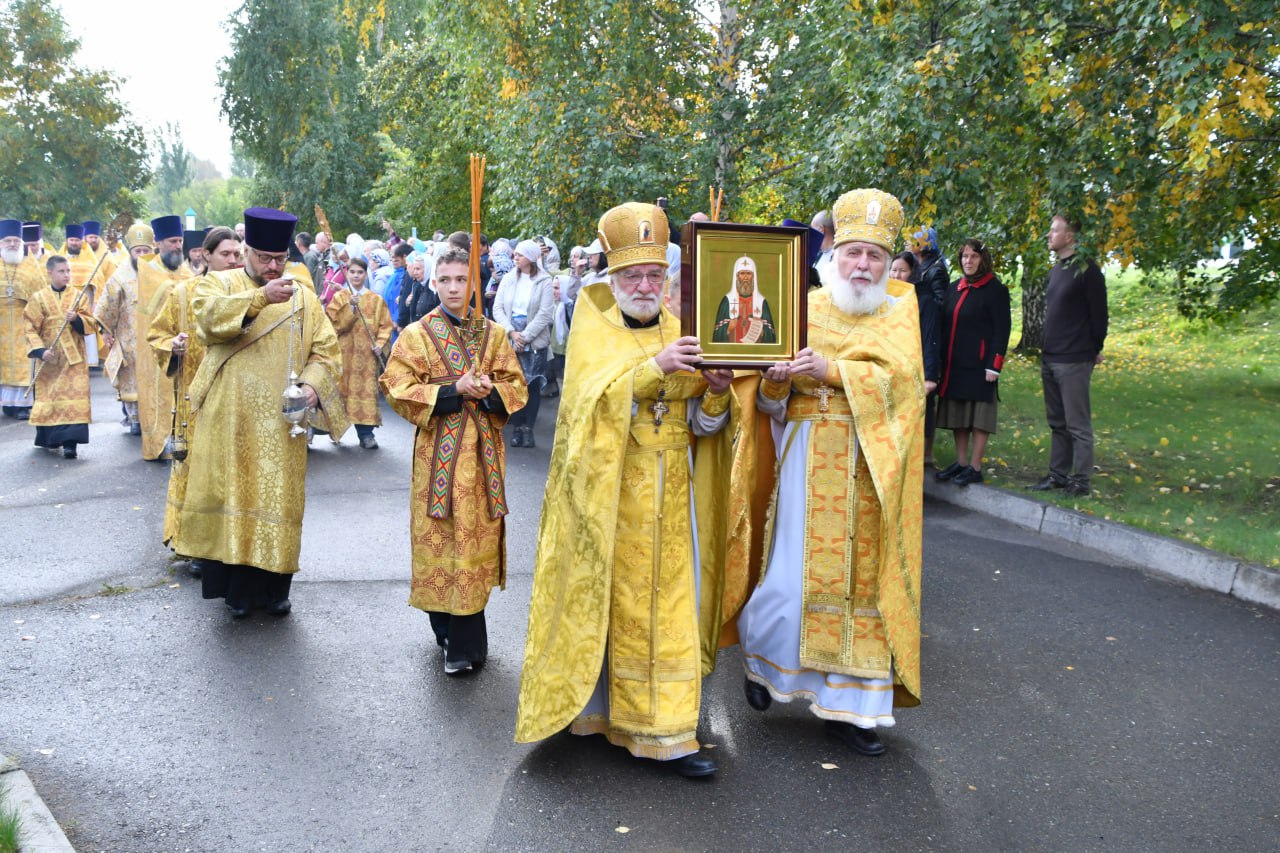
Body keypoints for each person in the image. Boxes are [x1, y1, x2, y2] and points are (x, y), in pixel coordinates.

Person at [515, 201, 737, 779]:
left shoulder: (683, 330)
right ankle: (596, 714)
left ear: (666, 280)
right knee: (609, 606)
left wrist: (714, 390)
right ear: (612, 279)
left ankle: (667, 731)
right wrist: (653, 370)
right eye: (632, 276)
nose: (644, 285)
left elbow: (707, 427)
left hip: (673, 497)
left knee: (668, 609)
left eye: (653, 276)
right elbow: (584, 409)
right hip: (608, 500)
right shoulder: (594, 323)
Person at [737, 188, 924, 758]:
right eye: (853, 254)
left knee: (862, 589)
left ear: (886, 261)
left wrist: (833, 369)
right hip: (806, 459)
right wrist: (774, 378)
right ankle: (764, 667)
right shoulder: (804, 309)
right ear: (834, 255)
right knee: (790, 576)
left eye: (873, 255)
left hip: (872, 469)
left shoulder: (901, 312)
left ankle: (854, 711)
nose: (862, 266)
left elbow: (906, 388)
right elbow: (768, 400)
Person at [175, 207, 348, 619]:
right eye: (264, 258)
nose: (273, 267)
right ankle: (236, 593)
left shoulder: (304, 297)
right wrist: (258, 299)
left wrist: (310, 386)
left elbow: (326, 351)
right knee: (235, 495)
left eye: (280, 259)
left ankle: (275, 591)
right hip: (229, 418)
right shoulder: (218, 282)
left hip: (281, 422)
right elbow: (208, 322)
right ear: (247, 251)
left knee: (280, 502)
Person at [379, 247, 528, 674]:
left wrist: (489, 390)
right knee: (442, 543)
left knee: (472, 547)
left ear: (472, 283)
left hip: (481, 465)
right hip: (437, 463)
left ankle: (464, 645)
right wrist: (452, 390)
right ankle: (444, 630)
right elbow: (395, 385)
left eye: (461, 280)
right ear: (434, 283)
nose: (453, 288)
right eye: (444, 280)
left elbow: (516, 385)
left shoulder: (493, 335)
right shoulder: (416, 335)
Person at [148, 226, 242, 571]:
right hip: (195, 401)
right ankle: (196, 546)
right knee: (198, 471)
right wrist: (171, 346)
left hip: (235, 402)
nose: (233, 261)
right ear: (205, 255)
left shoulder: (251, 293)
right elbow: (157, 333)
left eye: (237, 254)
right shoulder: (183, 293)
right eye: (225, 254)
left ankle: (232, 545)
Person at [1031, 214, 1108, 498]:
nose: (1049, 235)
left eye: (1054, 230)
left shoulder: (1087, 270)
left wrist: (1092, 349)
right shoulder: (1056, 271)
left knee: (1078, 423)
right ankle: (1058, 475)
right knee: (1057, 422)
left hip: (1074, 358)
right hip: (1051, 357)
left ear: (1070, 237)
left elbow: (1099, 316)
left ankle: (1081, 481)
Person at [934, 239, 1011, 486]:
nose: (968, 261)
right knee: (958, 415)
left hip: (980, 366)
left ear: (983, 260)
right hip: (954, 365)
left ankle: (975, 467)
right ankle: (962, 463)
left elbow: (1003, 330)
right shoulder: (955, 287)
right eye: (965, 256)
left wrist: (994, 365)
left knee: (979, 418)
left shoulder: (995, 291)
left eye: (974, 257)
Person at [24, 255, 99, 459]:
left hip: (74, 358)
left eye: (68, 271)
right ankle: (51, 439)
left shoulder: (78, 296)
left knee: (74, 397)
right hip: (50, 358)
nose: (67, 275)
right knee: (51, 398)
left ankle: (70, 444)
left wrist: (76, 319)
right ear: (50, 273)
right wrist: (40, 351)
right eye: (61, 271)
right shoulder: (38, 298)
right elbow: (29, 328)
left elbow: (91, 323)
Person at [135, 215, 191, 461]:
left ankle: (182, 440)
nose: (177, 246)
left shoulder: (189, 272)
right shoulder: (148, 272)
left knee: (183, 392)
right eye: (172, 241)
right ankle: (159, 442)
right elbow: (153, 310)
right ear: (158, 243)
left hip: (185, 345)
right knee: (160, 394)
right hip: (156, 346)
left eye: (179, 240)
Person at [325, 257, 392, 449]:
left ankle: (366, 435)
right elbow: (333, 326)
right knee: (339, 393)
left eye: (360, 272)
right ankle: (331, 430)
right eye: (352, 272)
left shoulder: (376, 300)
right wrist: (350, 307)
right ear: (347, 273)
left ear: (365, 274)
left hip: (367, 358)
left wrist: (380, 344)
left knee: (365, 394)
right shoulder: (339, 298)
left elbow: (385, 326)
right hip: (344, 354)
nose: (356, 276)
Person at [95, 223, 155, 435]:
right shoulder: (120, 274)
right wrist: (106, 331)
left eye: (145, 251)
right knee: (132, 378)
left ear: (152, 250)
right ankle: (135, 420)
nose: (141, 255)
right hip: (129, 337)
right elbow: (106, 305)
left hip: (156, 335)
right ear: (130, 252)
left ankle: (155, 419)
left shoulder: (161, 272)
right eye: (137, 251)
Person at [493, 240, 554, 448]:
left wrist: (525, 336)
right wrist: (511, 332)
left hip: (534, 337)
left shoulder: (544, 280)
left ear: (531, 256)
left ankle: (529, 429)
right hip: (512, 334)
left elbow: (545, 312)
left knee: (532, 385)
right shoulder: (509, 279)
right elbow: (498, 307)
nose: (515, 257)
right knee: (514, 384)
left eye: (520, 254)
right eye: (515, 254)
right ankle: (516, 427)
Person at [892, 251, 941, 464]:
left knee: (914, 428)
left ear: (913, 273)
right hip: (891, 371)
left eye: (902, 270)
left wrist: (930, 377)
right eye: (893, 270)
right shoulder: (885, 299)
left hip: (915, 371)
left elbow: (931, 339)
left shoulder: (924, 301)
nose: (896, 275)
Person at [1, 219, 44, 419]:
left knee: (23, 362)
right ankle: (6, 403)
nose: (12, 244)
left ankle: (21, 405)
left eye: (16, 240)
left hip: (22, 323)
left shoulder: (30, 265)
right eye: (8, 240)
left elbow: (41, 295)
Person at [712, 255, 777, 344]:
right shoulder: (727, 301)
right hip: (732, 354)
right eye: (742, 273)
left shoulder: (761, 302)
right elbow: (717, 336)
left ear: (753, 277)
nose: (745, 278)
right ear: (737, 276)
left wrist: (762, 330)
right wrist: (728, 328)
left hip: (755, 354)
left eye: (748, 273)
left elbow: (771, 337)